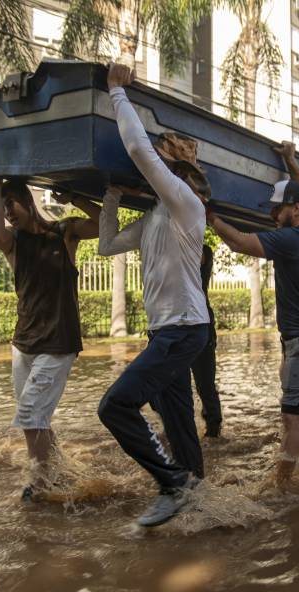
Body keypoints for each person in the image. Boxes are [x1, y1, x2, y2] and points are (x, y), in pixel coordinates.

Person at [96, 63, 212, 527]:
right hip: (169, 330)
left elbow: (141, 153)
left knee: (115, 406)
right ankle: (201, 501)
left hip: (183, 330)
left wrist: (116, 92)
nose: (181, 178)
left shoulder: (187, 204)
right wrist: (110, 195)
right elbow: (107, 245)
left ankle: (172, 483)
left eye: (183, 173)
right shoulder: (155, 219)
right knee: (179, 421)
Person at [206, 141, 299, 487]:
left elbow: (239, 242)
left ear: (293, 210)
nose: (270, 216)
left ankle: (281, 488)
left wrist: (209, 214)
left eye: (276, 210)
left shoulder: (291, 239)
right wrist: (291, 161)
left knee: (291, 419)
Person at [0, 159, 101, 501]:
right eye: (2, 207)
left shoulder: (64, 233)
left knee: (30, 413)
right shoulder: (13, 242)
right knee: (36, 419)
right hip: (24, 344)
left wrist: (73, 197)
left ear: (27, 201)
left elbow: (103, 223)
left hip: (59, 343)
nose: (7, 213)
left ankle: (38, 481)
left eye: (10, 204)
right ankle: (57, 470)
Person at [193, 245, 222, 437]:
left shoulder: (202, 251)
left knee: (205, 384)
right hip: (176, 324)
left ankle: (213, 430)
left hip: (201, 325)